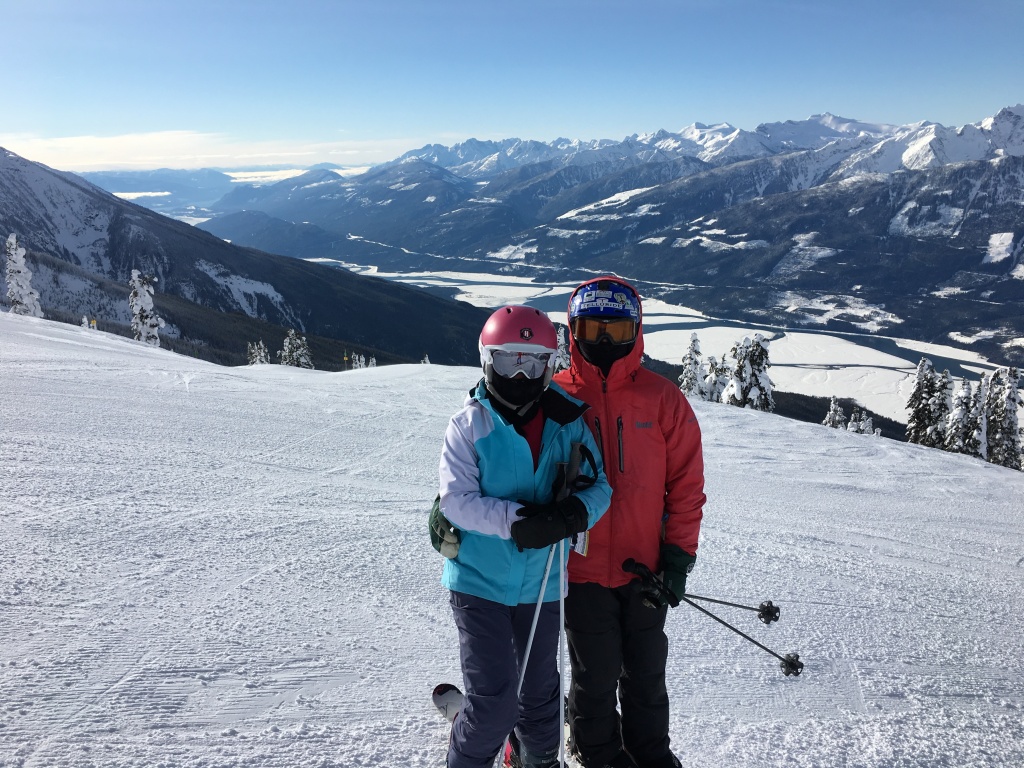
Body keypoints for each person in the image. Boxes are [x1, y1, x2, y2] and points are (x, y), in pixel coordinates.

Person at [437, 304, 613, 768]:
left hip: (542, 584)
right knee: (495, 704)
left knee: (540, 699)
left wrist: (571, 515)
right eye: (508, 360)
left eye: (533, 363)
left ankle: (536, 759)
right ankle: (472, 747)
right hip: (479, 583)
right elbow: (456, 501)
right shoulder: (470, 424)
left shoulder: (567, 423)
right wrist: (518, 521)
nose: (520, 375)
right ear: (487, 361)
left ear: (549, 366)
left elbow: (599, 487)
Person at [554, 277, 706, 768]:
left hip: (645, 568)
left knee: (645, 673)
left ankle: (650, 752)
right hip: (579, 571)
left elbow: (686, 487)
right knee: (594, 674)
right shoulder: (555, 396)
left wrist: (678, 558)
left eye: (616, 331)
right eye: (592, 329)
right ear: (573, 331)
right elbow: (509, 452)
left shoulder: (662, 399)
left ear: (636, 332)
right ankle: (599, 753)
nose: (603, 342)